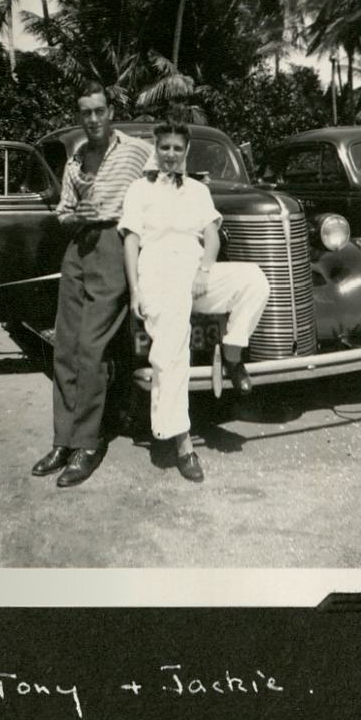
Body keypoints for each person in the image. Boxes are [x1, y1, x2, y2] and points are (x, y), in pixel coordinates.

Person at [119, 119, 271, 484]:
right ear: (156, 149)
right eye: (165, 147)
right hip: (157, 277)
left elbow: (212, 237)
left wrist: (205, 270)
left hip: (195, 274)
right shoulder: (139, 190)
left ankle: (232, 354)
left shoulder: (198, 191)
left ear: (186, 152)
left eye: (177, 148)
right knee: (172, 353)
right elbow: (130, 241)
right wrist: (136, 290)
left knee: (254, 279)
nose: (171, 154)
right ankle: (183, 442)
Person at [31, 88, 155, 487]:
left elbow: (162, 191)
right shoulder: (76, 158)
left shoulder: (137, 151)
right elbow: (63, 212)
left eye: (100, 110)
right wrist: (74, 215)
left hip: (115, 246)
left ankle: (88, 442)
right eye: (85, 112)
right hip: (78, 247)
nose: (93, 118)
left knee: (91, 346)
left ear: (111, 112)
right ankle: (62, 440)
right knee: (65, 345)